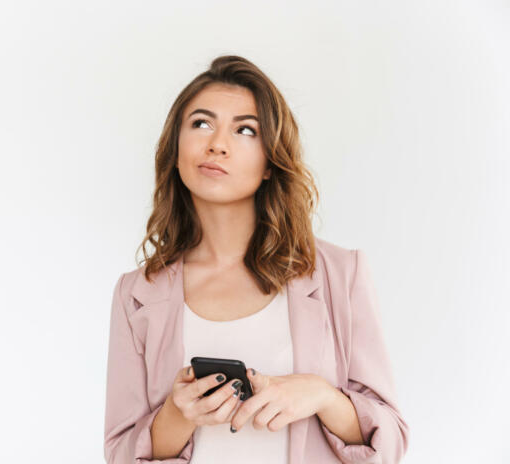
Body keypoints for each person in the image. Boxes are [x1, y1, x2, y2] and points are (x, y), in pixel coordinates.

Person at [103, 55, 410, 464]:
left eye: (245, 129)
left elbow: (390, 440)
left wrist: (321, 395)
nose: (217, 143)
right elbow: (119, 453)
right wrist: (178, 414)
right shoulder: (137, 293)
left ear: (270, 163)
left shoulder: (341, 273)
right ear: (176, 151)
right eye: (201, 123)